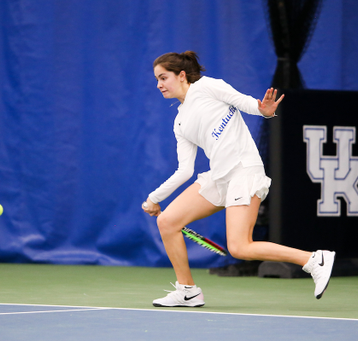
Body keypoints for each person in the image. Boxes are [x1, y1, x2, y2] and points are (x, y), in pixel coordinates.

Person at [142, 51, 335, 307]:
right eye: (157, 79)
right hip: (218, 177)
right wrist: (154, 199)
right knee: (167, 222)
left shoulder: (209, 86)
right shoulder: (180, 122)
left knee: (240, 248)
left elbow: (245, 102)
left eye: (163, 77)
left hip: (244, 171)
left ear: (181, 75)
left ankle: (314, 260)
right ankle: (187, 290)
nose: (159, 85)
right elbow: (184, 171)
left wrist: (263, 111)